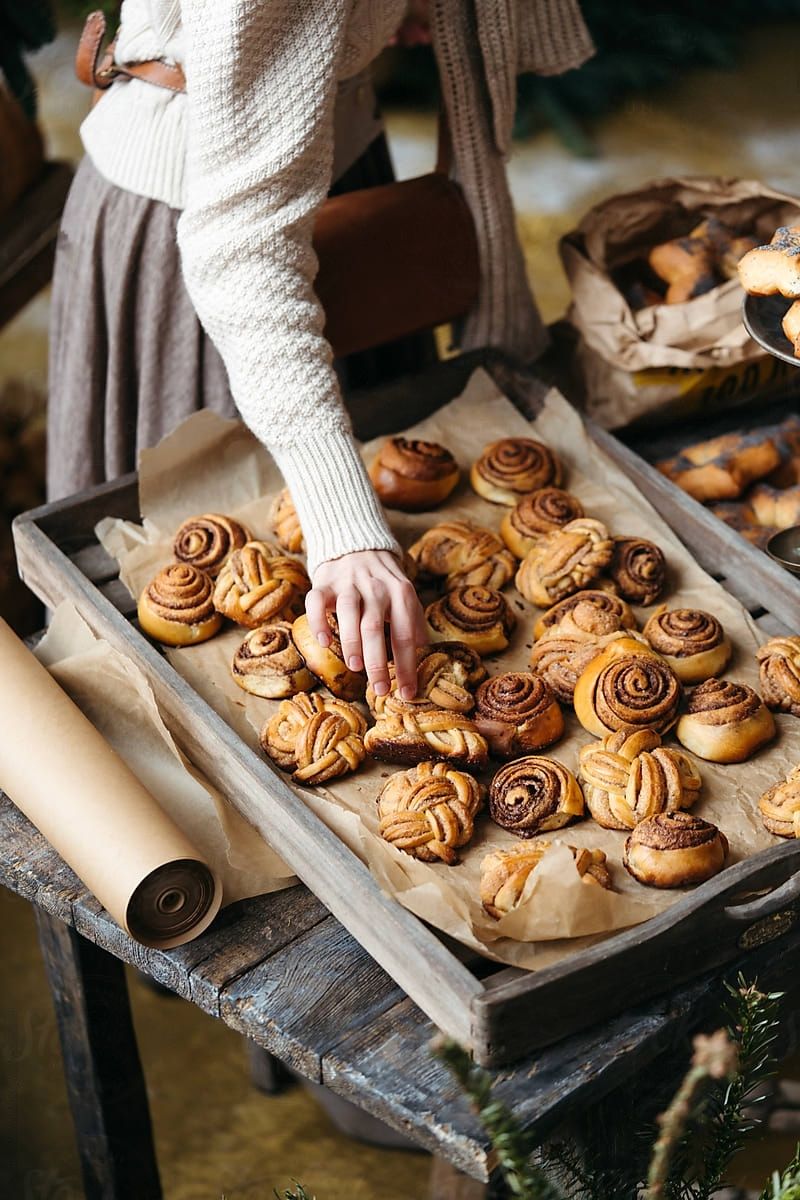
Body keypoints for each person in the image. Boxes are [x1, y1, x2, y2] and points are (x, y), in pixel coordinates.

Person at [48, 0, 593, 699]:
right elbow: (242, 256)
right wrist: (345, 528)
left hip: (330, 154)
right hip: (207, 227)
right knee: (191, 560)